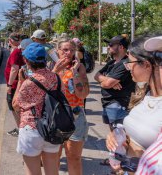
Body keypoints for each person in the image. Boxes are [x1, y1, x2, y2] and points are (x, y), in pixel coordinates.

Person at [105, 36, 162, 174]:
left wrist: (134, 163)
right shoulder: (146, 95)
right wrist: (118, 135)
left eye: (130, 63)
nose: (128, 67)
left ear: (147, 65)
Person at [12, 42, 60, 175]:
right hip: (52, 128)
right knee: (53, 172)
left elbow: (16, 105)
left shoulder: (28, 82)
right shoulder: (56, 78)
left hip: (31, 129)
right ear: (45, 60)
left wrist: (20, 82)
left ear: (26, 61)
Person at [52, 39, 90, 175]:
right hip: (55, 116)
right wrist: (56, 71)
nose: (68, 53)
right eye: (65, 50)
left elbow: (83, 94)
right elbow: (45, 90)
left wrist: (74, 74)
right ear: (58, 51)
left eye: (72, 50)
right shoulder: (50, 67)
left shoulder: (79, 68)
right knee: (53, 157)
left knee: (74, 157)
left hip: (75, 116)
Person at [94, 35, 136, 129]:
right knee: (114, 135)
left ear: (121, 47)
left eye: (111, 44)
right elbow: (96, 75)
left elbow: (107, 84)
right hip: (109, 103)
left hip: (119, 104)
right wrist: (108, 80)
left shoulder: (125, 63)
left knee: (120, 138)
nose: (108, 47)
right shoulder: (111, 63)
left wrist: (105, 82)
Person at [4, 32, 25, 136]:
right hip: (18, 83)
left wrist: (9, 85)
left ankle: (21, 130)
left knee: (13, 106)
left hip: (15, 84)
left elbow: (14, 69)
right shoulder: (19, 50)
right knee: (16, 106)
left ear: (10, 40)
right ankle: (21, 128)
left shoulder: (16, 51)